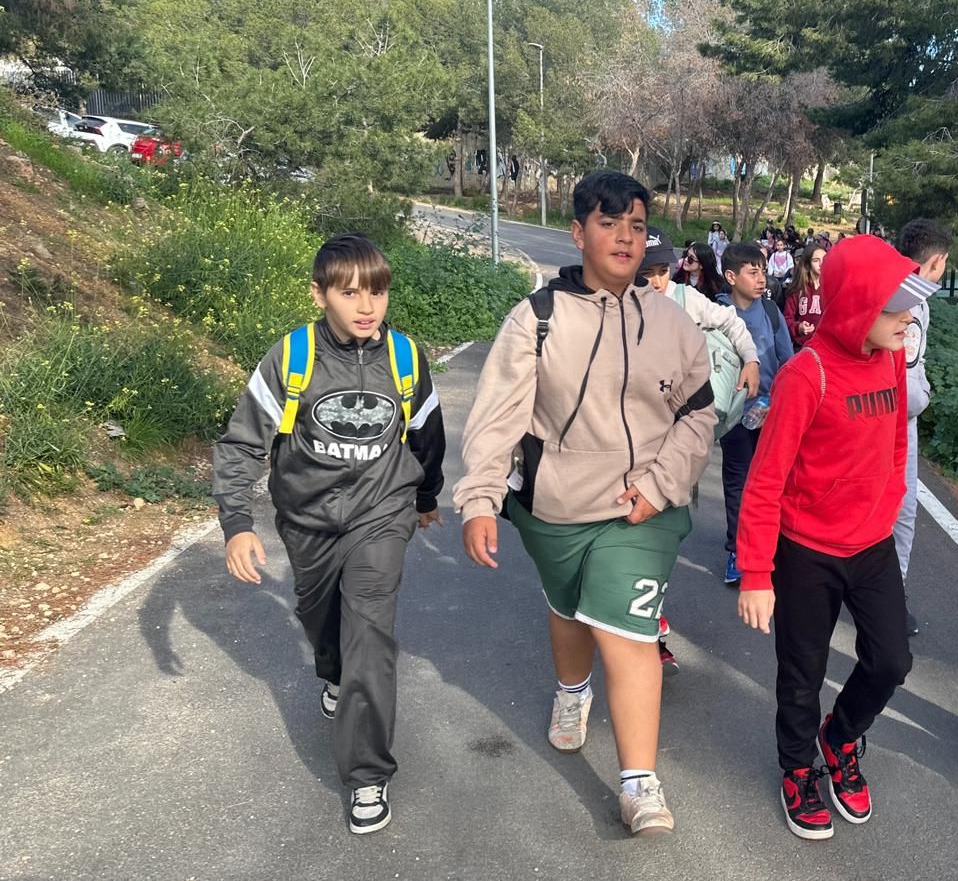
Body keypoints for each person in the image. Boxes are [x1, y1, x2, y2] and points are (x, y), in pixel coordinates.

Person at [453, 171, 716, 837]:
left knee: (627, 631)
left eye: (636, 225)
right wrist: (480, 498)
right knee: (569, 610)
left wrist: (659, 486)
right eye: (609, 223)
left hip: (641, 513)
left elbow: (698, 414)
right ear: (578, 232)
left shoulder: (672, 322)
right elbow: (496, 419)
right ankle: (573, 693)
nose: (626, 238)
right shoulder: (537, 320)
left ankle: (638, 782)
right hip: (555, 509)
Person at [212, 233, 446, 836]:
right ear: (320, 295)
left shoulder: (404, 357)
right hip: (307, 519)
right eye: (350, 293)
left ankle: (368, 774)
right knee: (322, 621)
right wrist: (237, 525)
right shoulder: (290, 358)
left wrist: (423, 498)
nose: (367, 306)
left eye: (377, 291)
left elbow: (427, 434)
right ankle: (332, 672)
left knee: (369, 630)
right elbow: (241, 445)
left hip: (381, 514)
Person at [734, 235, 937, 841]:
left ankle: (841, 736)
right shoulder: (806, 374)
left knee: (892, 659)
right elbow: (764, 479)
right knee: (801, 673)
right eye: (895, 307)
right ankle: (798, 768)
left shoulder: (892, 361)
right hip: (807, 552)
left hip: (870, 546)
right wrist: (755, 573)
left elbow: (899, 444)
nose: (908, 319)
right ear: (854, 307)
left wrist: (887, 504)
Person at [638, 226, 763, 674]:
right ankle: (646, 620)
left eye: (661, 271)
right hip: (630, 444)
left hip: (680, 443)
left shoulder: (685, 299)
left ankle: (649, 609)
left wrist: (749, 360)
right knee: (638, 530)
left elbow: (731, 322)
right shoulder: (615, 305)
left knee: (669, 526)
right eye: (645, 272)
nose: (655, 281)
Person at [717, 242, 796, 586]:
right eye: (753, 272)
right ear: (731, 277)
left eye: (763, 271)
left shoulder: (771, 312)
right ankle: (737, 549)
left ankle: (767, 545)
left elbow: (787, 360)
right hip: (734, 415)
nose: (762, 278)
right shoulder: (716, 315)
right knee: (738, 480)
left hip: (769, 411)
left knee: (770, 482)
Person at [892, 219, 952, 636]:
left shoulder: (889, 288)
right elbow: (909, 386)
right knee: (902, 511)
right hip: (895, 424)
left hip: (871, 413)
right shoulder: (912, 304)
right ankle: (890, 600)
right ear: (937, 261)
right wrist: (926, 396)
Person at [784, 243, 827, 348]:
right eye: (816, 260)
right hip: (802, 347)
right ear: (808, 264)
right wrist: (798, 327)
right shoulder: (797, 289)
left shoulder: (833, 288)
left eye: (824, 259)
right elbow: (787, 319)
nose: (821, 264)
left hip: (826, 348)